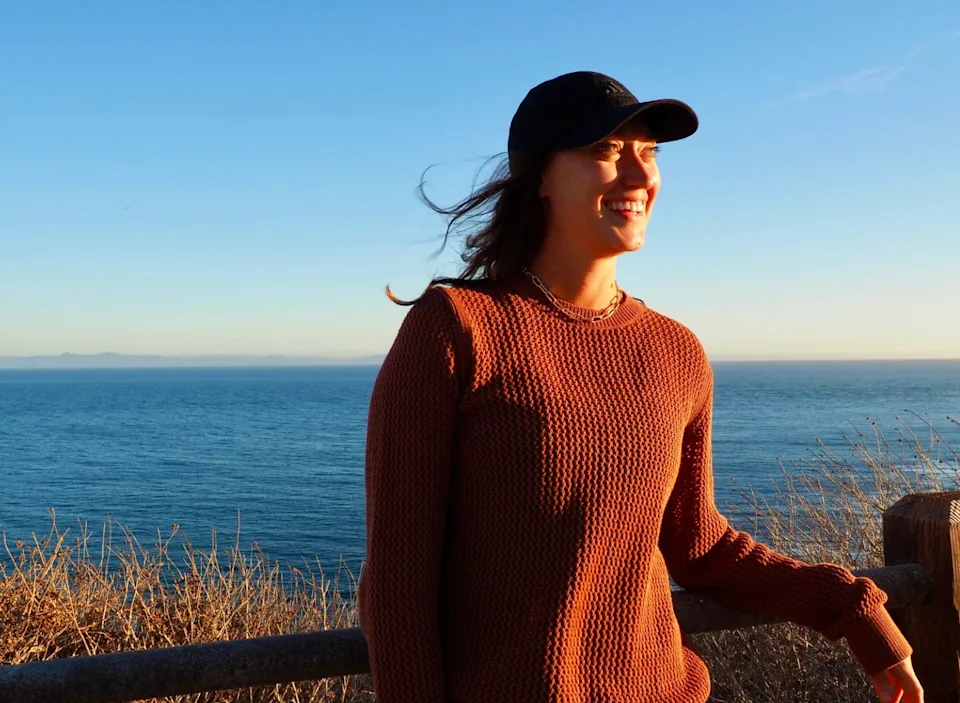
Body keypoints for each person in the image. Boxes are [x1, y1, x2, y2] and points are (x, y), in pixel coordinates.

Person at [357, 71, 922, 703]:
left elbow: (700, 545)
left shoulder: (675, 351)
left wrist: (851, 609)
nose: (638, 175)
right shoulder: (456, 329)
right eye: (605, 151)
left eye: (647, 153)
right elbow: (397, 585)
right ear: (540, 177)